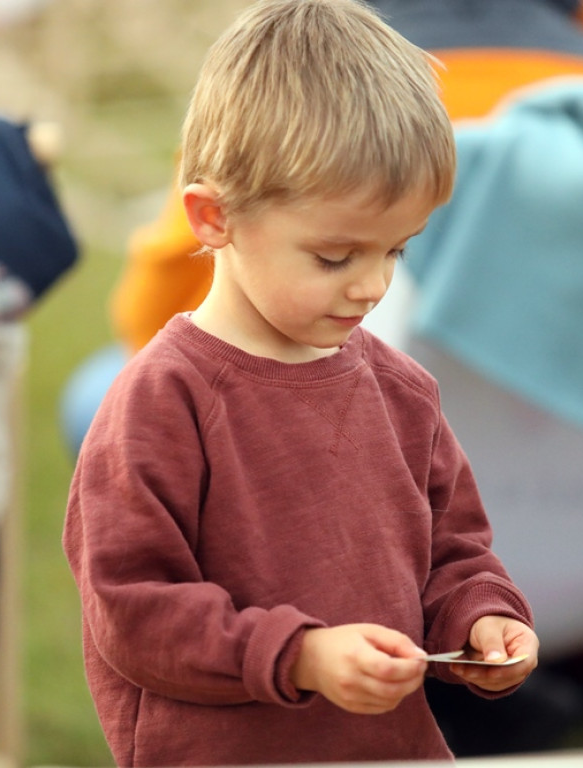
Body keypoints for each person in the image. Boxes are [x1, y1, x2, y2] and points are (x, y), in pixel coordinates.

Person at [62, 1, 538, 765]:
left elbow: (455, 554)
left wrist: (482, 618)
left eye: (397, 251)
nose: (372, 287)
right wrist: (301, 657)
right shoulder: (162, 403)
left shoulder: (403, 392)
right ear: (213, 217)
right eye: (334, 257)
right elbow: (133, 611)